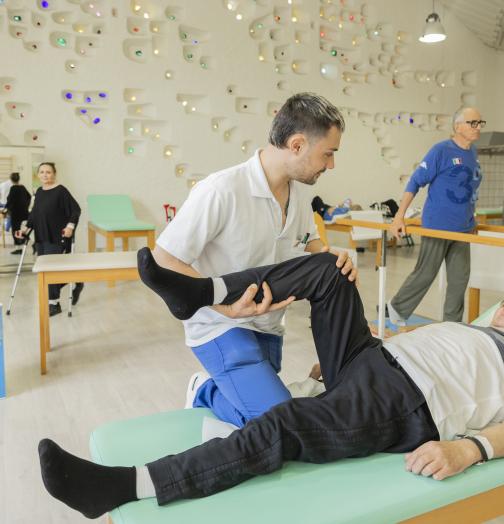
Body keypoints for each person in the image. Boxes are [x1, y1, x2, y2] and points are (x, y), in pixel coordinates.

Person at [38, 249, 504, 519]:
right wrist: (364, 348)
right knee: (329, 269)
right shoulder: (480, 326)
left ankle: (125, 485)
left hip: (407, 401)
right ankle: (202, 293)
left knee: (284, 423)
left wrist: (471, 449)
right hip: (376, 356)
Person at [150, 93, 357, 428]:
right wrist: (225, 308)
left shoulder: (300, 195)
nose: (330, 165)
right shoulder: (221, 190)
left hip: (269, 327)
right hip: (221, 327)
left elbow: (309, 244)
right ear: (297, 144)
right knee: (277, 423)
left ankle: (236, 391)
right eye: (328, 153)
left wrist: (331, 257)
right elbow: (163, 259)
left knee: (276, 412)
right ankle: (204, 390)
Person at [388, 107, 484, 325]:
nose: (478, 127)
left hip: (463, 229)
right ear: (457, 126)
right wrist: (399, 217)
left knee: (459, 280)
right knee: (426, 273)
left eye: (480, 123)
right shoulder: (441, 150)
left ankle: (452, 324)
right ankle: (397, 308)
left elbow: (468, 189)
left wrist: (472, 218)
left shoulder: (473, 152)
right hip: (437, 226)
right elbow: (415, 181)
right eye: (473, 123)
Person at [16, 162, 84, 316]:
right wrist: (25, 229)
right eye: (42, 172)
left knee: (51, 270)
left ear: (54, 174)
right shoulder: (39, 192)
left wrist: (70, 227)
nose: (45, 175)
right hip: (41, 236)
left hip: (57, 236)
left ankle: (54, 304)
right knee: (46, 271)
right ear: (38, 175)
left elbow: (75, 210)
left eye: (48, 172)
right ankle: (77, 280)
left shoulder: (61, 191)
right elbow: (34, 214)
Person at [2, 172, 31, 254]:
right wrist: (26, 206)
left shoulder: (13, 188)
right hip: (24, 213)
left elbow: (10, 201)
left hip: (15, 213)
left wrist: (5, 209)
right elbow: (29, 196)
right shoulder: (22, 187)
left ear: (11, 179)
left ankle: (19, 248)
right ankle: (22, 246)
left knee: (15, 230)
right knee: (22, 229)